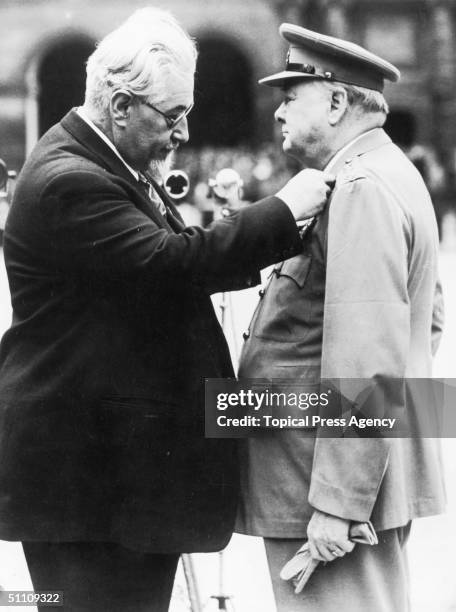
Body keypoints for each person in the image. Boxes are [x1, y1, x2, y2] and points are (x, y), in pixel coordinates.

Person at [0, 10, 332, 612]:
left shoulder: (100, 164)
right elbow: (171, 264)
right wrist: (283, 211)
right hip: (89, 485)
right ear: (121, 105)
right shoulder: (70, 181)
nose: (182, 134)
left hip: (106, 477)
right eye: (173, 116)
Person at [237, 23, 445, 612]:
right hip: (349, 467)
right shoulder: (389, 173)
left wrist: (339, 502)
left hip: (325, 487)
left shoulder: (359, 187)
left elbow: (368, 353)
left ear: (335, 101)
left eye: (289, 96)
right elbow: (424, 325)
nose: (277, 112)